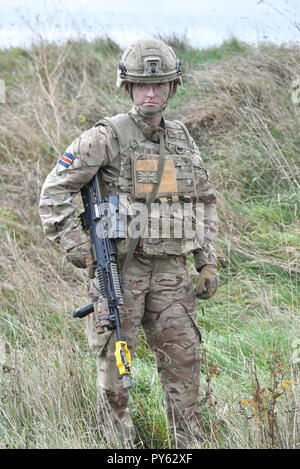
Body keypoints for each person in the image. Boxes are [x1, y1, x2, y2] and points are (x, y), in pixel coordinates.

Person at [39, 38, 219, 448]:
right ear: (128, 88)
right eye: (140, 85)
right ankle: (118, 450)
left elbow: (202, 199)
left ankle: (187, 447)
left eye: (159, 85)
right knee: (115, 376)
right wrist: (77, 248)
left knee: (186, 367)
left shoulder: (181, 138)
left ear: (173, 87)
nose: (150, 93)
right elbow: (53, 192)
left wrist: (206, 260)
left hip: (173, 274)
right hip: (123, 273)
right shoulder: (105, 137)